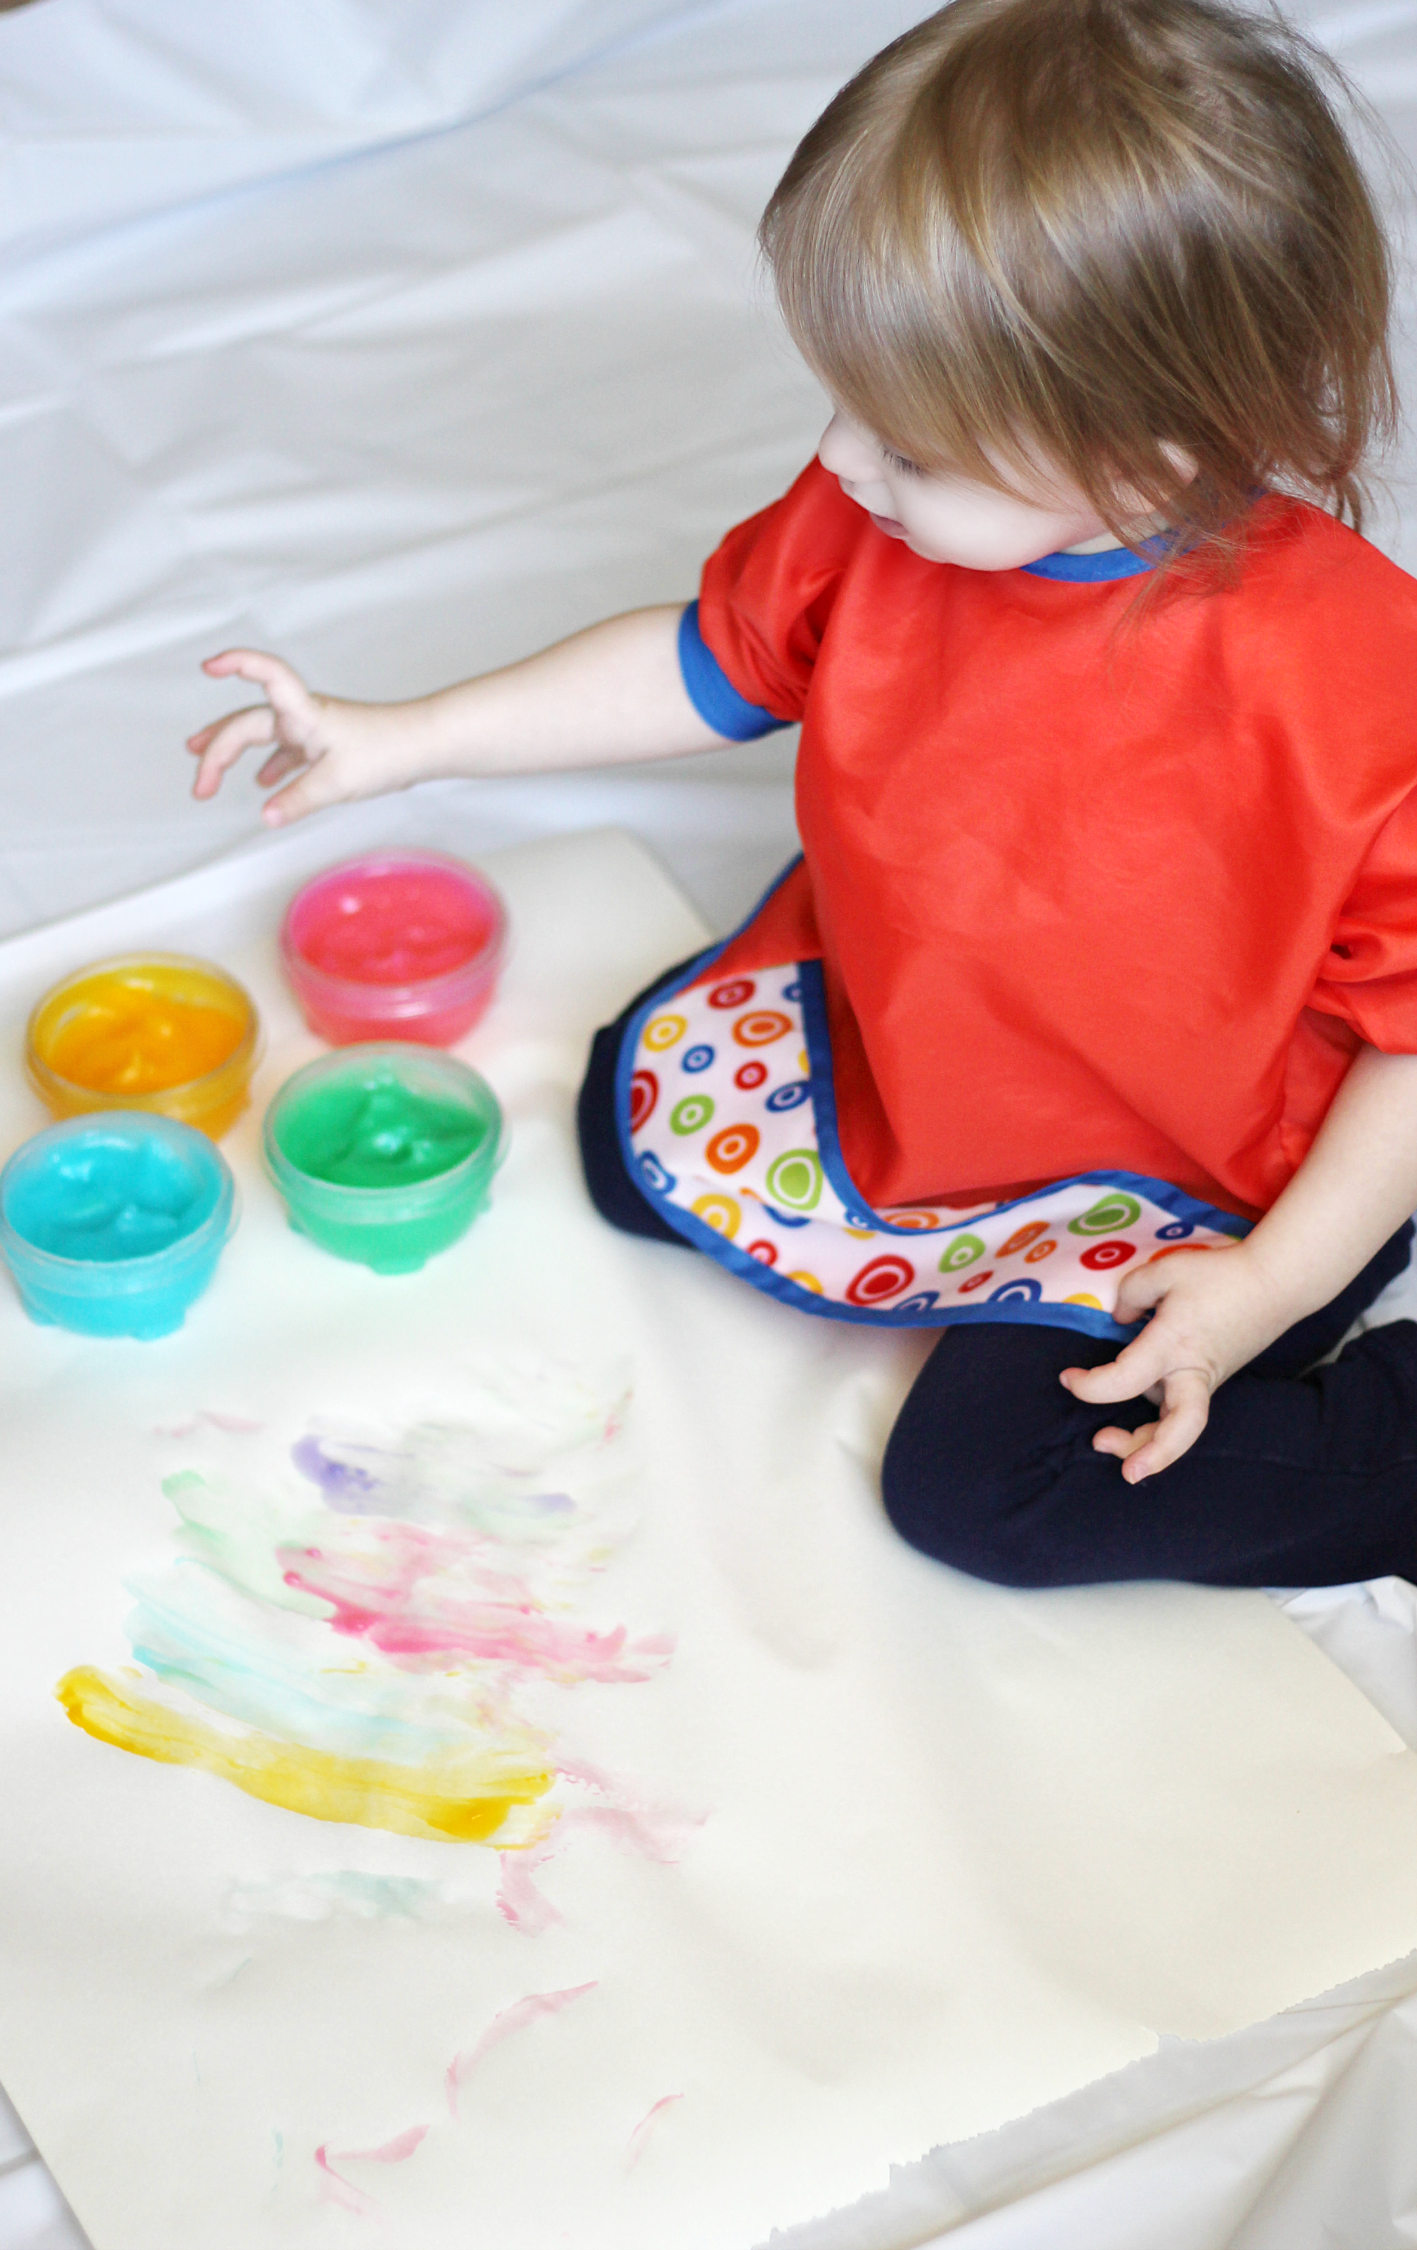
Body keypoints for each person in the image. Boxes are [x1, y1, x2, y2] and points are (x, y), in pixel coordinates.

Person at [189, 0, 1417, 1593]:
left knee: (984, 1494)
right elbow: (706, 663)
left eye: (905, 442)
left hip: (1226, 1149)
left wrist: (1261, 1289)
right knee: (623, 1140)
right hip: (933, 1048)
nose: (838, 462)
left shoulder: (1353, 683)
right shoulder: (875, 522)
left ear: (1139, 456)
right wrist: (401, 735)